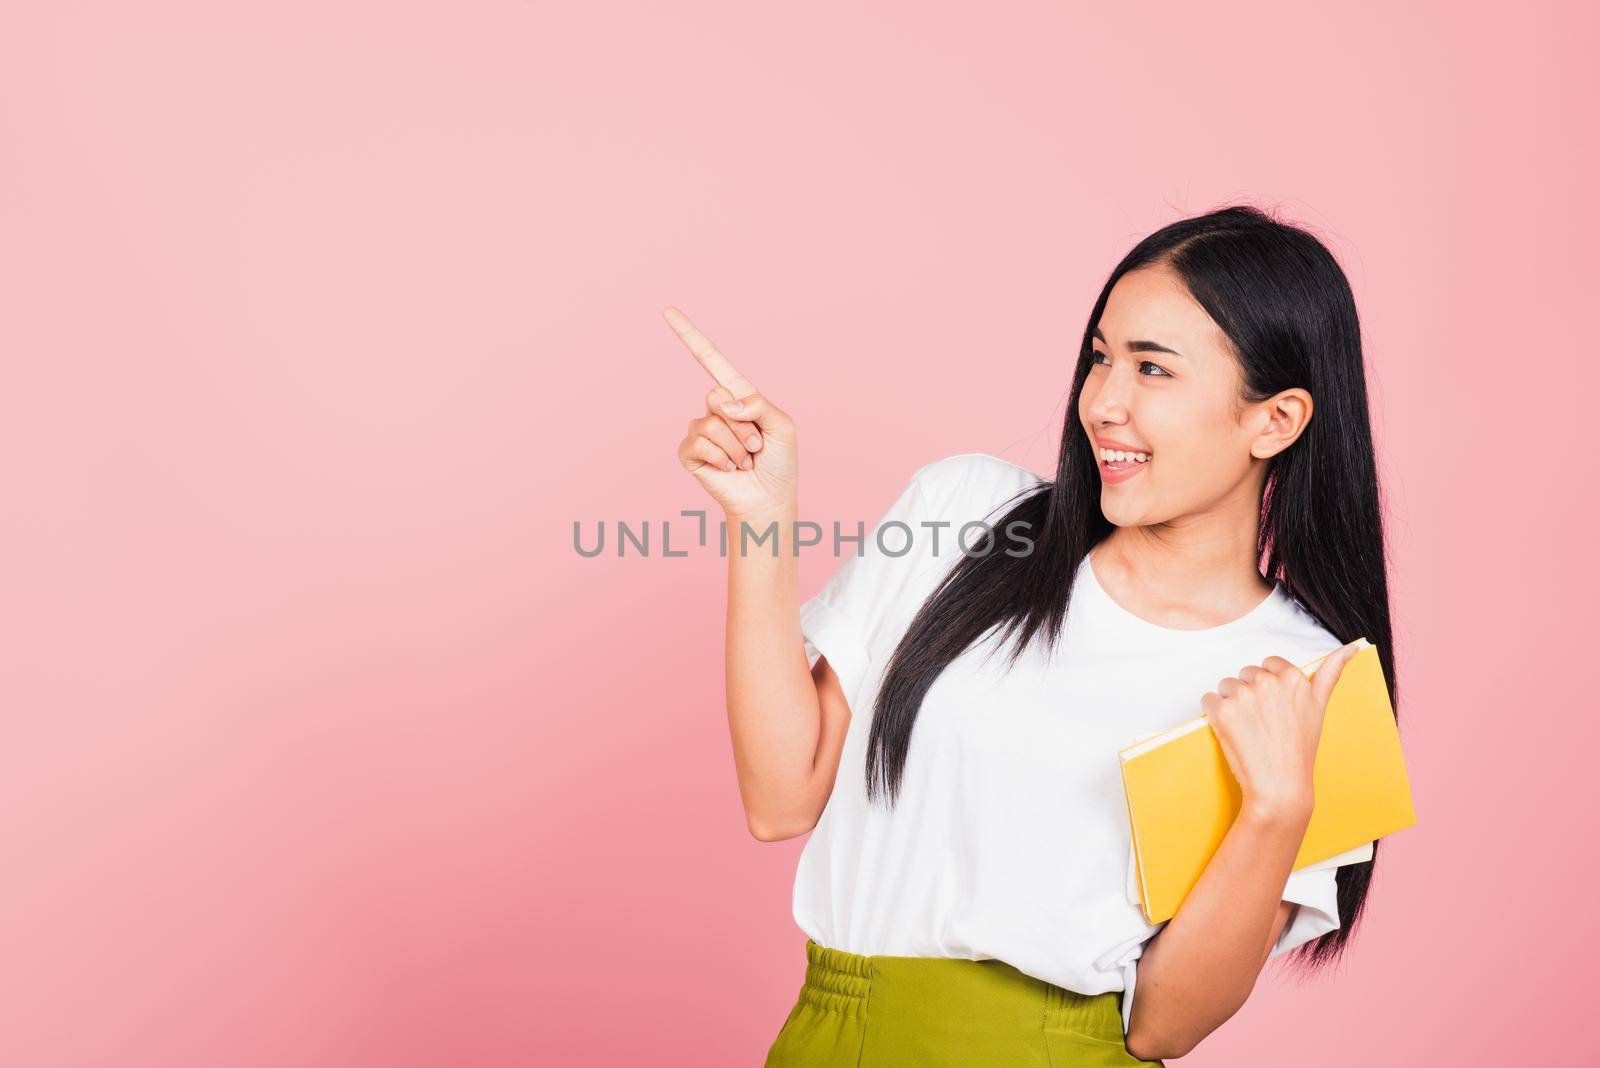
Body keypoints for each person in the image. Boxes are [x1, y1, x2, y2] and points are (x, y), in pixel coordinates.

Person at [665, 204, 1395, 1066]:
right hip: (829, 1033)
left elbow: (1165, 1024)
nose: (1104, 404)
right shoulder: (967, 512)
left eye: (1153, 370)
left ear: (1274, 420)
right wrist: (761, 523)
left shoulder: (1312, 682)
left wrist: (1275, 810)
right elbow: (780, 797)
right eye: (1101, 358)